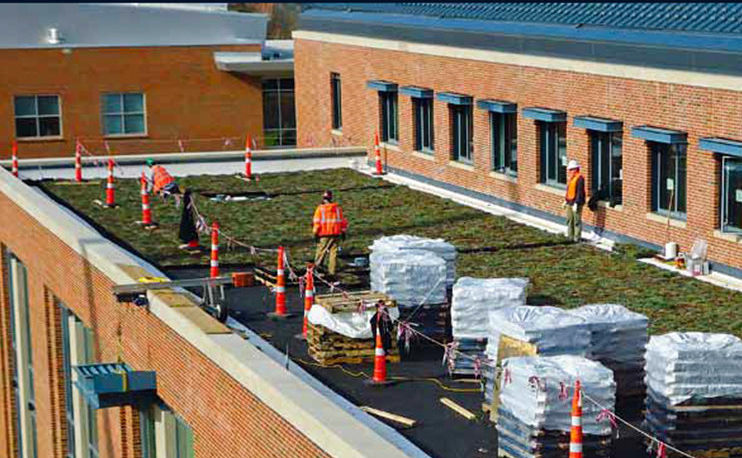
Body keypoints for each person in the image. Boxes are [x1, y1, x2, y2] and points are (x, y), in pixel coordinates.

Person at [312, 190, 348, 277]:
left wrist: (315, 233)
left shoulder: (320, 209)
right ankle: (332, 271)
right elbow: (342, 221)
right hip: (336, 233)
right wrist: (343, 232)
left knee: (321, 252)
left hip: (324, 234)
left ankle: (317, 269)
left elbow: (317, 222)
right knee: (333, 253)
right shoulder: (337, 209)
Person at [563, 160, 586, 242]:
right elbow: (569, 190)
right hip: (569, 202)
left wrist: (577, 203)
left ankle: (577, 237)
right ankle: (570, 236)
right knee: (569, 220)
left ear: (576, 169)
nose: (570, 171)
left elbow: (580, 192)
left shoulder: (580, 178)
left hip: (576, 203)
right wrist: (566, 200)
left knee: (576, 221)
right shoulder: (572, 178)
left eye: (571, 169)